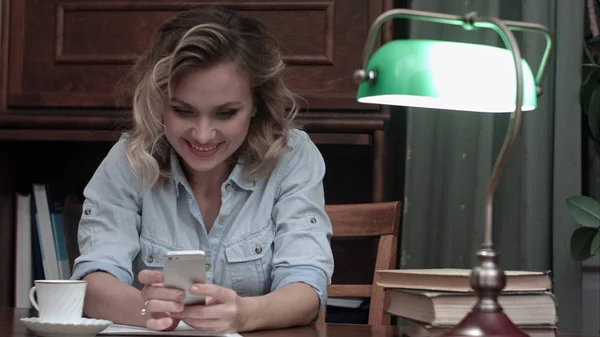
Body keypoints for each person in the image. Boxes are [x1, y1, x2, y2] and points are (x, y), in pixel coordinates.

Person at [70, 6, 334, 333]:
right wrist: (146, 307)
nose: (203, 134)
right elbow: (95, 280)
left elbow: (307, 289)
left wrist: (244, 314)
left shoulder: (293, 156)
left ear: (256, 106)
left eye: (225, 113)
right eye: (183, 111)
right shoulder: (129, 159)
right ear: (158, 102)